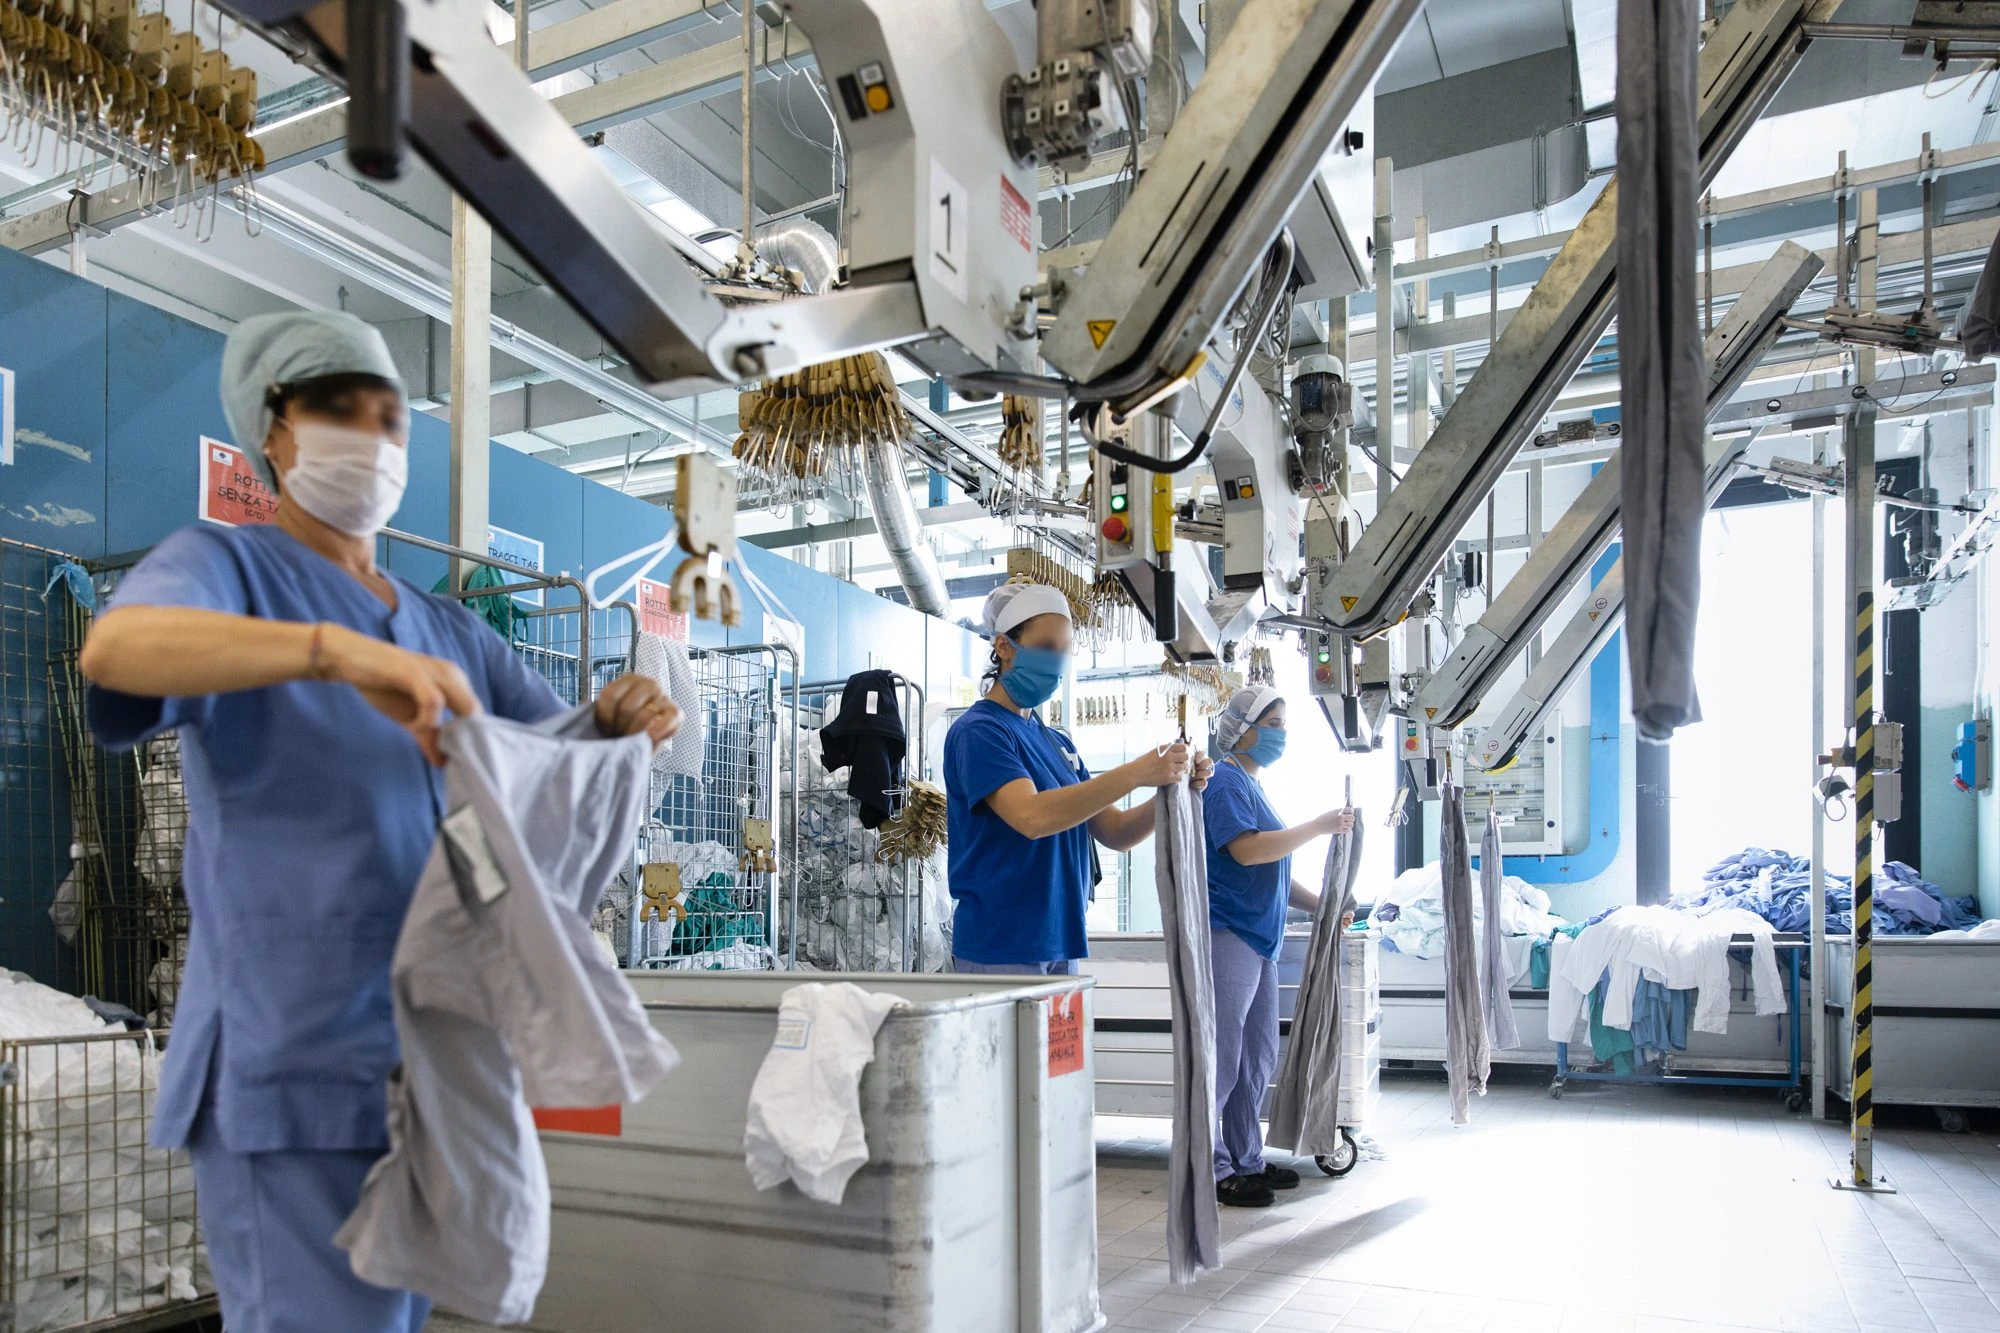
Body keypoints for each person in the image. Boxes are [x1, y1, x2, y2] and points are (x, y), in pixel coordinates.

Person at [78, 310, 682, 1333]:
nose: (368, 432)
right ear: (273, 429)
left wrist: (623, 718)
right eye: (334, 406)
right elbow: (118, 652)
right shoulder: (230, 567)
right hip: (289, 1058)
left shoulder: (444, 627)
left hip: (421, 1061)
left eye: (388, 413)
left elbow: (552, 768)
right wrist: (329, 651)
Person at [943, 581, 1213, 975]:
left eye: (1064, 649)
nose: (1056, 660)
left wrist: (1171, 788)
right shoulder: (980, 731)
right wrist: (1138, 771)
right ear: (1003, 646)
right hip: (1002, 943)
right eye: (1045, 647)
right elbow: (1032, 817)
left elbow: (1116, 832)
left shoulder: (1056, 743)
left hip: (1060, 939)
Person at [1202, 686, 1354, 1208]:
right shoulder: (1223, 783)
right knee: (1223, 1060)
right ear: (1240, 730)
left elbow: (1276, 872)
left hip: (1259, 940)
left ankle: (1246, 1158)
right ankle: (1213, 1168)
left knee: (1256, 1059)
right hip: (1229, 935)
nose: (1281, 734)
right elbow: (1247, 853)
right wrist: (1318, 826)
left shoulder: (1252, 786)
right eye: (1273, 724)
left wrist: (1326, 905)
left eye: (1284, 724)